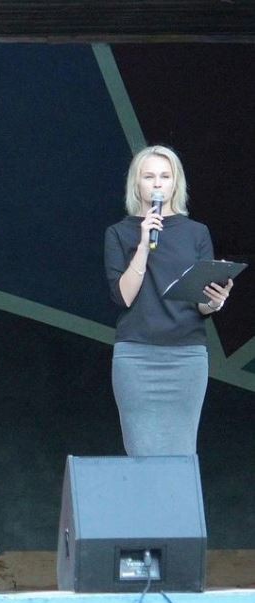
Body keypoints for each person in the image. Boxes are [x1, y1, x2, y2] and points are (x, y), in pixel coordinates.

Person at [103, 145, 234, 456]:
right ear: (136, 183)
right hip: (136, 357)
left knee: (181, 453)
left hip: (186, 357)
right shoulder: (119, 233)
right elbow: (124, 296)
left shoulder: (197, 233)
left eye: (165, 176)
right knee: (140, 453)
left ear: (176, 183)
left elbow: (200, 301)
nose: (157, 183)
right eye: (149, 176)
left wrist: (215, 301)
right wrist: (143, 245)